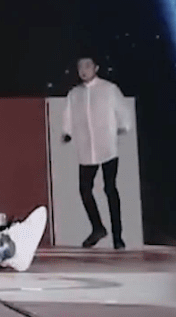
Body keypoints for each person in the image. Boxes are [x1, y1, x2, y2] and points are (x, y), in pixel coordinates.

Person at [61, 58, 131, 249]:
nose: (83, 70)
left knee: (110, 189)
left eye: (87, 66)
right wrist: (67, 132)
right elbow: (68, 115)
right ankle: (98, 227)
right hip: (86, 147)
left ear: (96, 68)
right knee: (85, 189)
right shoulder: (74, 94)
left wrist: (123, 126)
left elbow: (122, 110)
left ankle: (118, 236)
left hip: (106, 146)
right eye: (80, 67)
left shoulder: (109, 89)